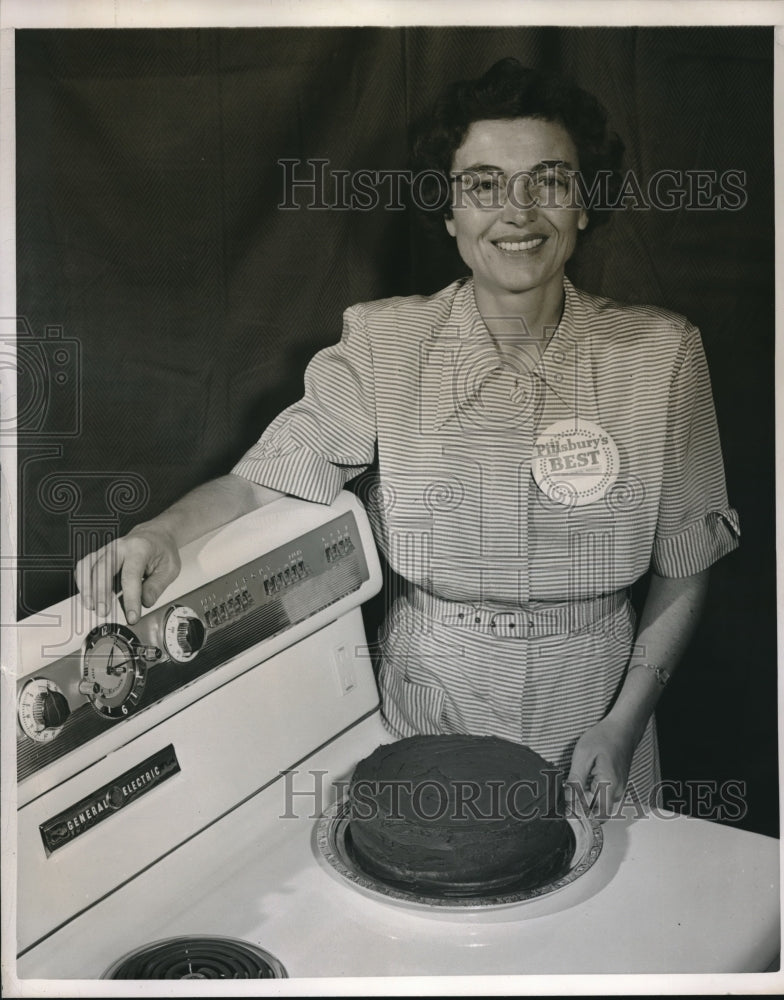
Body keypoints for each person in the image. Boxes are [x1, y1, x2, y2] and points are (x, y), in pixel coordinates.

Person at [75, 58, 739, 815]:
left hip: (598, 726)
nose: (517, 212)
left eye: (549, 181)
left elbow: (685, 565)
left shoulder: (663, 356)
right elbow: (266, 479)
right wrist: (161, 532)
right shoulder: (383, 344)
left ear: (583, 204)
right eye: (484, 186)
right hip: (428, 715)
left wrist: (625, 725)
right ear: (450, 211)